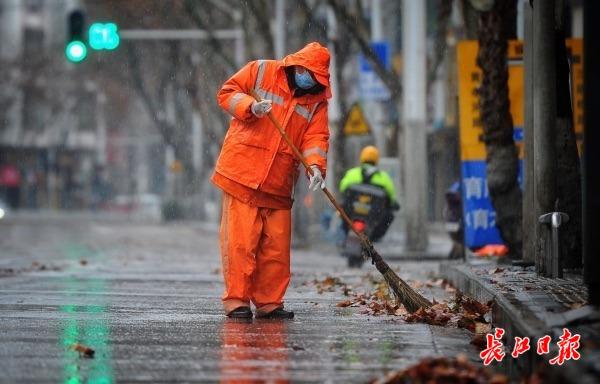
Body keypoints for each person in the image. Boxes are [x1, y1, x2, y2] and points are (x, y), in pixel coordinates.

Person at [212, 42, 331, 319]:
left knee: (276, 251)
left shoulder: (317, 102)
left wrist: (315, 166)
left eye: (316, 78)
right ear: (298, 66)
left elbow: (316, 138)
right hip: (242, 174)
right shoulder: (260, 70)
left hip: (278, 181)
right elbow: (227, 93)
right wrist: (249, 107)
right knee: (240, 244)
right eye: (308, 74)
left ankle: (269, 303)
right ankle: (237, 301)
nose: (310, 81)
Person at [339, 145, 399, 242]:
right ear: (376, 159)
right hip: (372, 216)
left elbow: (342, 188)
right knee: (389, 215)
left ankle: (344, 238)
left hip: (352, 214)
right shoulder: (384, 177)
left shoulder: (352, 173)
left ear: (362, 157)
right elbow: (391, 197)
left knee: (342, 212)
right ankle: (374, 239)